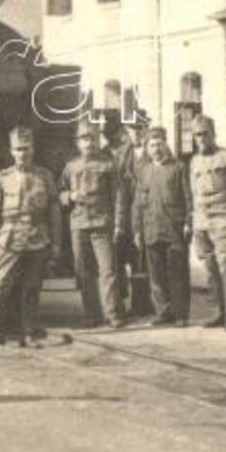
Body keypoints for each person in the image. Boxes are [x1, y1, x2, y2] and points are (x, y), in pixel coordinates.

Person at [0, 126, 63, 346]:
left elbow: (54, 211)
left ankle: (28, 332)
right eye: (19, 149)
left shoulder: (45, 176)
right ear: (12, 151)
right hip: (9, 238)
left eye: (27, 148)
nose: (23, 153)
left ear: (33, 149)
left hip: (37, 238)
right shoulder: (1, 178)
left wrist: (56, 243)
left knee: (31, 288)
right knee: (1, 286)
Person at [61, 116, 126, 328]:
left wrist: (118, 223)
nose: (88, 143)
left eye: (92, 138)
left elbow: (118, 194)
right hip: (79, 224)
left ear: (98, 140)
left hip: (102, 223)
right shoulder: (71, 166)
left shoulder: (108, 164)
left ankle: (113, 314)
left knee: (108, 270)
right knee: (84, 272)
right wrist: (69, 196)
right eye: (84, 139)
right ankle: (92, 314)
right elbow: (59, 192)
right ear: (77, 142)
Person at [188, 115, 226, 330]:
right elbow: (193, 192)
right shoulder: (194, 161)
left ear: (213, 134)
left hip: (224, 217)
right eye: (197, 135)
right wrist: (192, 220)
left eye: (204, 133)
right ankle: (218, 312)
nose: (200, 138)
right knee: (209, 268)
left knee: (225, 267)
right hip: (201, 220)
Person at [131, 125, 191, 326]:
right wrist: (137, 230)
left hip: (174, 228)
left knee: (177, 272)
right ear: (147, 148)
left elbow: (188, 197)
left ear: (166, 145)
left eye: (159, 144)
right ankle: (163, 311)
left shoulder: (178, 167)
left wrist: (188, 221)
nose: (156, 149)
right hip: (151, 228)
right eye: (151, 145)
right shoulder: (144, 171)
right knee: (156, 275)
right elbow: (138, 203)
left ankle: (180, 314)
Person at [108, 107, 152, 317]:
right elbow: (118, 189)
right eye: (133, 129)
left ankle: (141, 304)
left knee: (141, 260)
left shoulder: (155, 150)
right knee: (118, 260)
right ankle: (120, 303)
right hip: (124, 214)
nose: (137, 133)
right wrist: (118, 221)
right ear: (127, 130)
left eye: (141, 128)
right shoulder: (119, 155)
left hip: (147, 213)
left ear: (147, 128)